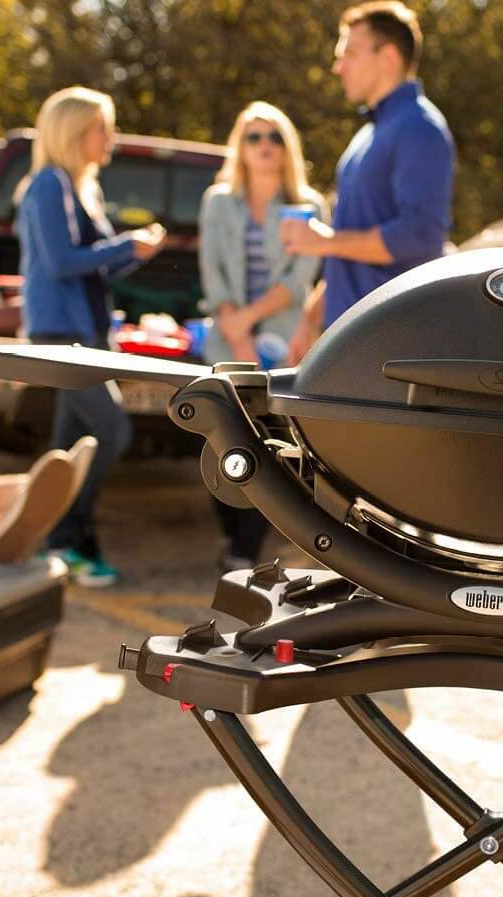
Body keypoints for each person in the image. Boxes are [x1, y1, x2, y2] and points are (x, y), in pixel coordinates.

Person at [16, 86, 166, 586]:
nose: (112, 137)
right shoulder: (47, 185)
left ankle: (49, 540)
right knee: (112, 430)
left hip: (86, 332)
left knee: (67, 445)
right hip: (61, 336)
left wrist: (133, 255)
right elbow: (61, 264)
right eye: (105, 127)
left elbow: (93, 273)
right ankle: (70, 539)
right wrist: (125, 243)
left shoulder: (82, 188)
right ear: (76, 132)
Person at [282, 0, 455, 362]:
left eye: (349, 53)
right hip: (349, 337)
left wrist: (324, 242)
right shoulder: (368, 134)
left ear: (388, 57)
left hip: (388, 345)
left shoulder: (420, 129)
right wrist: (310, 318)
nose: (337, 67)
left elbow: (420, 236)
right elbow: (351, 242)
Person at [198, 101, 326, 570]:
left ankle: (243, 553)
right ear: (240, 146)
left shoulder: (309, 206)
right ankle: (234, 534)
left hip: (281, 343)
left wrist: (247, 327)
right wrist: (235, 335)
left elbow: (297, 283)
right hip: (225, 340)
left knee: (268, 445)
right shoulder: (217, 202)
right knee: (215, 442)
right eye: (254, 137)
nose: (265, 145)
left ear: (286, 145)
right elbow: (212, 273)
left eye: (274, 136)